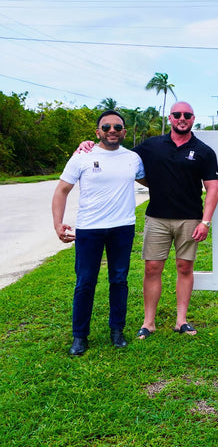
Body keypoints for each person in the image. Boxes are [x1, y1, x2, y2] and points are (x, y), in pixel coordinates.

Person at [79, 101, 218, 339]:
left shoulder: (204, 151)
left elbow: (213, 189)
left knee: (185, 267)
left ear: (193, 118)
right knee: (152, 268)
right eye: (177, 114)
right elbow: (118, 154)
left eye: (186, 115)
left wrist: (205, 222)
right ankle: (149, 323)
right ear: (170, 118)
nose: (181, 118)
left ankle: (181, 321)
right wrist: (89, 145)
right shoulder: (152, 146)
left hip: (190, 218)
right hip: (157, 218)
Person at [52, 110, 145, 355]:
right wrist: (57, 223)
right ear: (97, 132)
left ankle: (117, 331)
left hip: (122, 228)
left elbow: (154, 181)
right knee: (85, 282)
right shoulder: (82, 156)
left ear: (124, 131)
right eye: (106, 127)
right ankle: (79, 337)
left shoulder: (133, 158)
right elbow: (61, 191)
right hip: (89, 229)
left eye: (117, 127)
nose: (112, 131)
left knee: (119, 280)